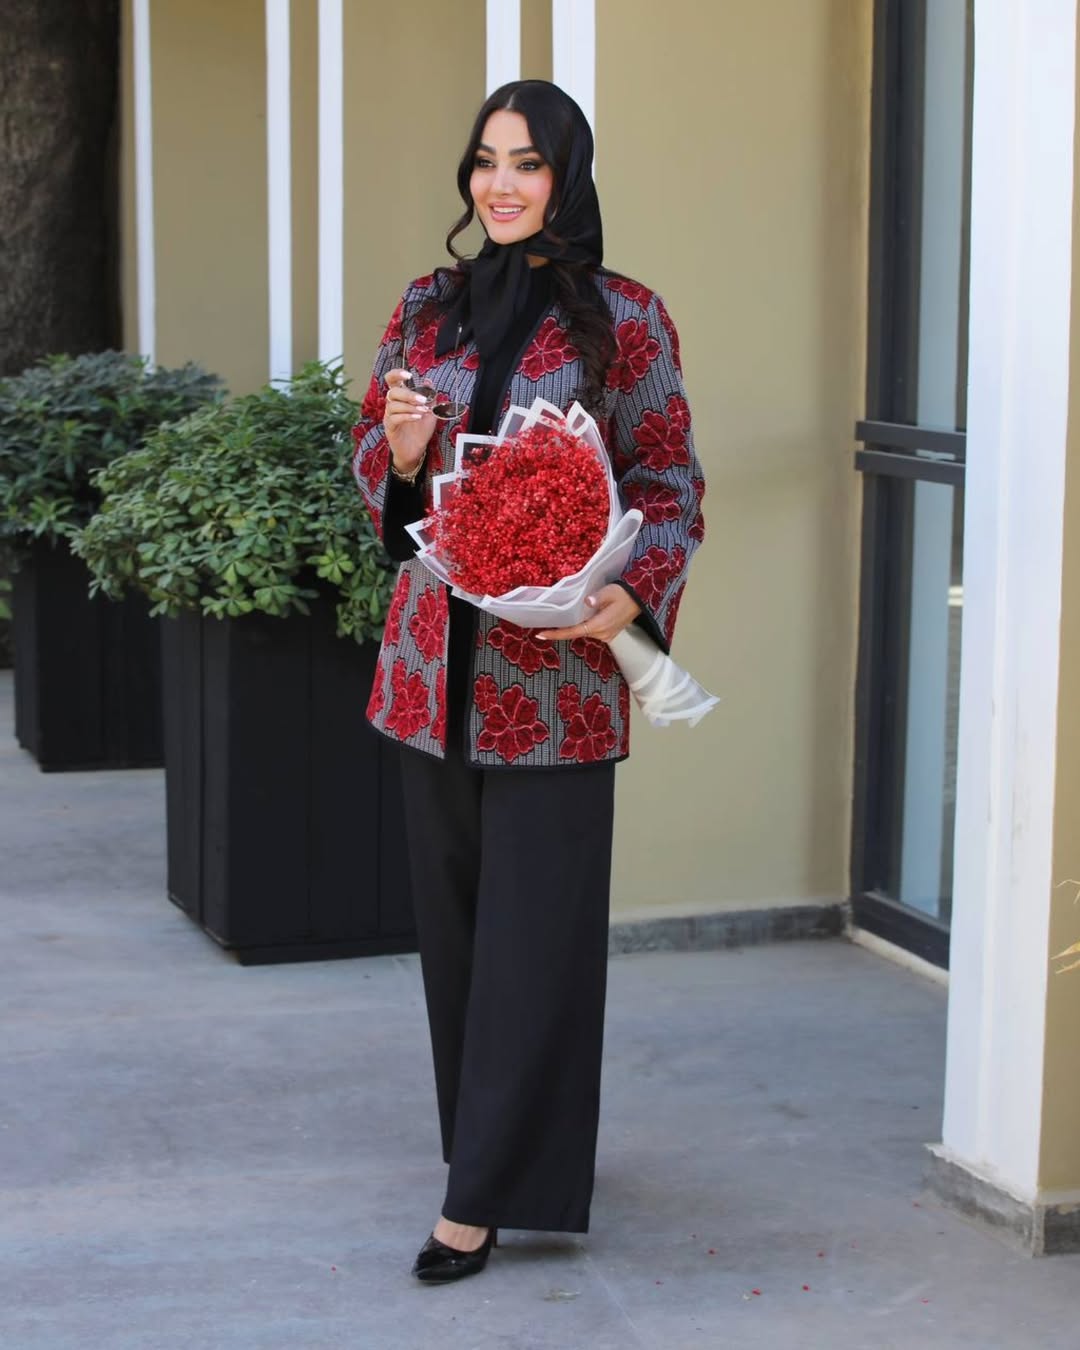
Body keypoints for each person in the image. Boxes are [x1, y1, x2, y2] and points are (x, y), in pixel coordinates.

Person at [350, 79, 705, 1284]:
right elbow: (377, 460)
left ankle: (478, 1204)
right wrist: (401, 456)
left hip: (554, 683)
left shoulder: (626, 318)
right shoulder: (427, 308)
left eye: (528, 163)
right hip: (428, 676)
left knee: (534, 945)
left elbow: (668, 477)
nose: (500, 184)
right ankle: (494, 1160)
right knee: (456, 941)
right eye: (486, 161)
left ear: (568, 177)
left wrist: (633, 593)